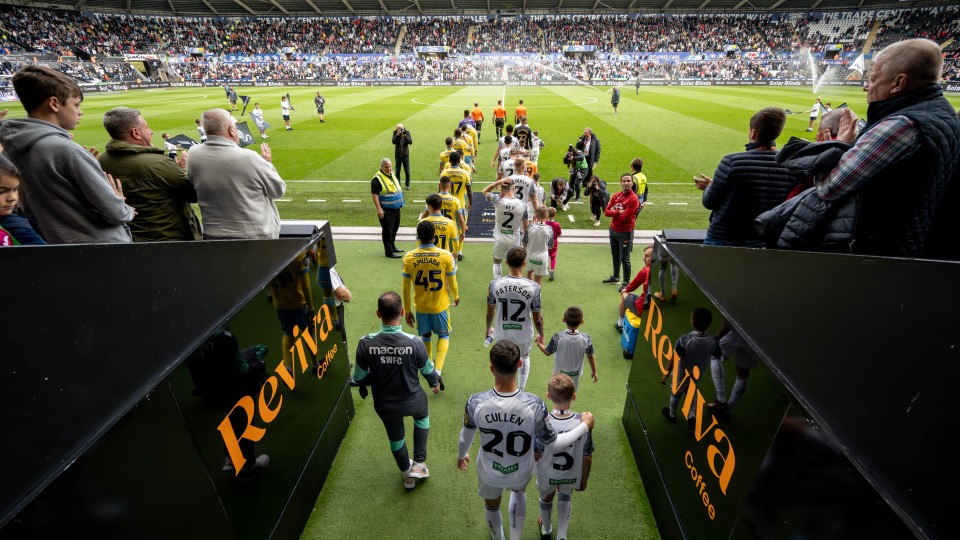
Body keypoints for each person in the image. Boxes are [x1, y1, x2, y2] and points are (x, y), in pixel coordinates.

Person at [811, 38, 959, 257]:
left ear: (898, 83)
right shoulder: (944, 112)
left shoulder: (902, 126)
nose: (866, 86)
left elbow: (829, 187)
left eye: (872, 79)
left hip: (883, 252)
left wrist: (836, 147)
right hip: (915, 245)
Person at [457, 341, 594, 540]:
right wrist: (584, 426)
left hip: (489, 471)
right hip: (520, 470)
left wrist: (461, 455)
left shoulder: (475, 401)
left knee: (491, 506)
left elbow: (465, 436)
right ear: (520, 364)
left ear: (492, 368)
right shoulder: (535, 404)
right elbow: (554, 444)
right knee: (518, 493)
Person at [0, 65, 135, 244]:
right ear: (54, 103)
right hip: (104, 248)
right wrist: (124, 207)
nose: (80, 111)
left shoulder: (9, 152)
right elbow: (115, 212)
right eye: (76, 104)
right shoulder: (68, 150)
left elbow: (25, 209)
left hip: (59, 246)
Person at [354, 291, 440, 490]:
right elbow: (428, 370)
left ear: (378, 313)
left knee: (396, 437)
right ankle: (419, 463)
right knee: (422, 416)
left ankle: (407, 476)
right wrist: (434, 383)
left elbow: (358, 377)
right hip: (413, 401)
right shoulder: (415, 342)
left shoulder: (365, 342)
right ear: (402, 312)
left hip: (385, 404)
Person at [694, 107, 795, 247]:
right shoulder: (791, 165)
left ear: (753, 133)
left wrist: (708, 187)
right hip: (763, 240)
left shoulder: (731, 162)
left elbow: (709, 202)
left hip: (723, 239)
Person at [98, 107, 202, 242]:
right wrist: (183, 169)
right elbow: (193, 194)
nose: (151, 131)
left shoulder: (100, 161)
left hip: (125, 237)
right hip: (167, 238)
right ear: (136, 133)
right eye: (146, 127)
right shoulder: (158, 163)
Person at [187, 108, 285, 239]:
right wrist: (267, 164)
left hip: (213, 235)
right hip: (255, 236)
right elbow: (278, 190)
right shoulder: (249, 157)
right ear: (231, 131)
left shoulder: (193, 154)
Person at [534, 373, 595, 540]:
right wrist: (584, 480)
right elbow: (587, 456)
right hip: (570, 473)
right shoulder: (583, 422)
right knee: (565, 495)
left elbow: (536, 453)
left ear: (548, 396)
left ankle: (546, 529)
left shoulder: (542, 423)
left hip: (547, 474)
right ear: (574, 396)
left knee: (546, 498)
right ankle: (562, 535)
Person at [402, 220, 459, 391]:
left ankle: (430, 369)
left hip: (421, 307)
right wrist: (456, 296)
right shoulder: (445, 255)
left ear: (418, 237)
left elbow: (405, 288)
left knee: (426, 337)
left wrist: (407, 311)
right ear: (434, 237)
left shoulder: (409, 257)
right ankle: (438, 370)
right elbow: (452, 281)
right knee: (444, 335)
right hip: (440, 306)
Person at [485, 246, 544, 391]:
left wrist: (488, 328)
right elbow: (537, 318)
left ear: (506, 262)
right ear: (524, 263)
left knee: (502, 362)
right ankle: (521, 391)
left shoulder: (495, 284)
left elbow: (490, 312)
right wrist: (541, 334)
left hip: (502, 334)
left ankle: (501, 389)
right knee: (524, 358)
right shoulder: (534, 287)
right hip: (524, 334)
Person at [661, 307, 720, 431]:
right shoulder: (713, 341)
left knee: (676, 393)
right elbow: (717, 354)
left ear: (692, 322)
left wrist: (666, 373)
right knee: (691, 391)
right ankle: (692, 416)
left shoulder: (685, 340)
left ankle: (672, 414)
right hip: (698, 374)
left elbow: (674, 357)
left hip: (682, 373)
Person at [268, 251, 316, 374]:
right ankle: (316, 365)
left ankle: (288, 367)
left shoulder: (268, 256)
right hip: (298, 303)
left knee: (288, 333)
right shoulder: (298, 254)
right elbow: (305, 284)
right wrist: (311, 307)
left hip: (280, 304)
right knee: (309, 332)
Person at [537, 308, 597, 390]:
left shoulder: (558, 337)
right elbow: (591, 356)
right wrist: (594, 372)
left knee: (557, 392)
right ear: (582, 322)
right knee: (571, 393)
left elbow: (547, 352)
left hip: (558, 375)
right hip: (575, 375)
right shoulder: (586, 339)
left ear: (563, 320)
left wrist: (539, 343)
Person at [708, 322, 757, 416]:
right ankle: (728, 408)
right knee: (743, 372)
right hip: (758, 339)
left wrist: (716, 337)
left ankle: (720, 400)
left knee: (715, 355)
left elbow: (730, 319)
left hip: (741, 330)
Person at [482, 178, 527, 279]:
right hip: (515, 239)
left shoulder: (498, 201)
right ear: (514, 188)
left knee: (497, 261)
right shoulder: (522, 204)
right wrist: (525, 241)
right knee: (515, 263)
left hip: (500, 238)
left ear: (501, 189)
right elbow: (525, 224)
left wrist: (498, 182)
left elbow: (484, 191)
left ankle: (497, 281)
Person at [602, 174, 640, 291]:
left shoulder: (633, 199)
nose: (626, 183)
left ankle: (626, 282)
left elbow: (625, 217)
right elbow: (606, 212)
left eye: (628, 181)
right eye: (624, 181)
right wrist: (619, 212)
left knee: (625, 258)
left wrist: (614, 212)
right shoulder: (616, 195)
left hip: (625, 232)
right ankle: (616, 276)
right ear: (620, 183)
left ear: (632, 183)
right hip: (613, 230)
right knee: (615, 255)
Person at [0, 155, 45, 245]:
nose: (13, 198)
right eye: (2, 191)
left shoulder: (16, 227)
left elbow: (44, 251)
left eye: (16, 189)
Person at [370, 157, 405, 258]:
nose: (388, 169)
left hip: (396, 208)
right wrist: (379, 209)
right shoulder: (377, 179)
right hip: (386, 210)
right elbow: (374, 195)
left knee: (394, 229)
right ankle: (388, 251)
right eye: (386, 167)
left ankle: (392, 246)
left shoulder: (391, 174)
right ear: (381, 166)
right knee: (387, 231)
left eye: (389, 166)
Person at [440, 151, 471, 259]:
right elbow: (469, 190)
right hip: (460, 203)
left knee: (445, 227)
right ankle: (459, 251)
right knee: (460, 228)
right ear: (459, 161)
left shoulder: (444, 172)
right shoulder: (465, 173)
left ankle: (447, 249)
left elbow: (441, 188)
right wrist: (471, 203)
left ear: (449, 161)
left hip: (445, 203)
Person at [615, 245, 654, 332]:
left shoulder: (645, 271)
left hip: (643, 308)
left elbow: (630, 287)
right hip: (656, 310)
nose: (643, 259)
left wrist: (625, 290)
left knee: (624, 293)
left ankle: (620, 324)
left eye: (647, 256)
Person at [419, 193, 461, 259]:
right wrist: (455, 252)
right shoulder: (450, 223)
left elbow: (419, 242)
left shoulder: (422, 222)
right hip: (444, 258)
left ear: (429, 207)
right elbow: (455, 241)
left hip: (429, 258)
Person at [525, 206, 553, 285]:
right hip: (542, 257)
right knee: (538, 282)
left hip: (530, 255)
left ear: (535, 216)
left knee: (529, 274)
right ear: (547, 216)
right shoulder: (550, 229)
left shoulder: (530, 226)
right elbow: (550, 245)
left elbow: (524, 242)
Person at [576, 128, 601, 201]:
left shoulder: (595, 139)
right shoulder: (582, 138)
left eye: (585, 133)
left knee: (590, 170)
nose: (584, 134)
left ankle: (589, 184)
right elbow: (577, 146)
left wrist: (596, 159)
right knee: (583, 169)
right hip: (583, 157)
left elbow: (598, 149)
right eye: (584, 132)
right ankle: (584, 183)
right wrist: (580, 141)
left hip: (590, 157)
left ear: (589, 133)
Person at [653, 238, 679, 303]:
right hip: (677, 240)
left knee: (663, 266)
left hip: (665, 240)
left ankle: (662, 294)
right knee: (674, 263)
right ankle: (674, 290)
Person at [392, 123, 413, 189]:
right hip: (398, 155)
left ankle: (407, 185)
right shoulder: (395, 133)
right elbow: (393, 142)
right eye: (398, 129)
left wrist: (405, 136)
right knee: (397, 171)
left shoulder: (407, 132)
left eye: (400, 129)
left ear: (403, 128)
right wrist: (397, 135)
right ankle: (398, 184)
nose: (399, 130)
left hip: (405, 155)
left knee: (407, 171)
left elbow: (410, 142)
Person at [545, 207, 562, 281]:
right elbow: (559, 234)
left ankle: (545, 268)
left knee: (545, 255)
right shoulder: (556, 224)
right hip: (553, 243)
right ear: (555, 215)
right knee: (553, 257)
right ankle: (552, 269)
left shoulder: (545, 223)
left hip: (545, 242)